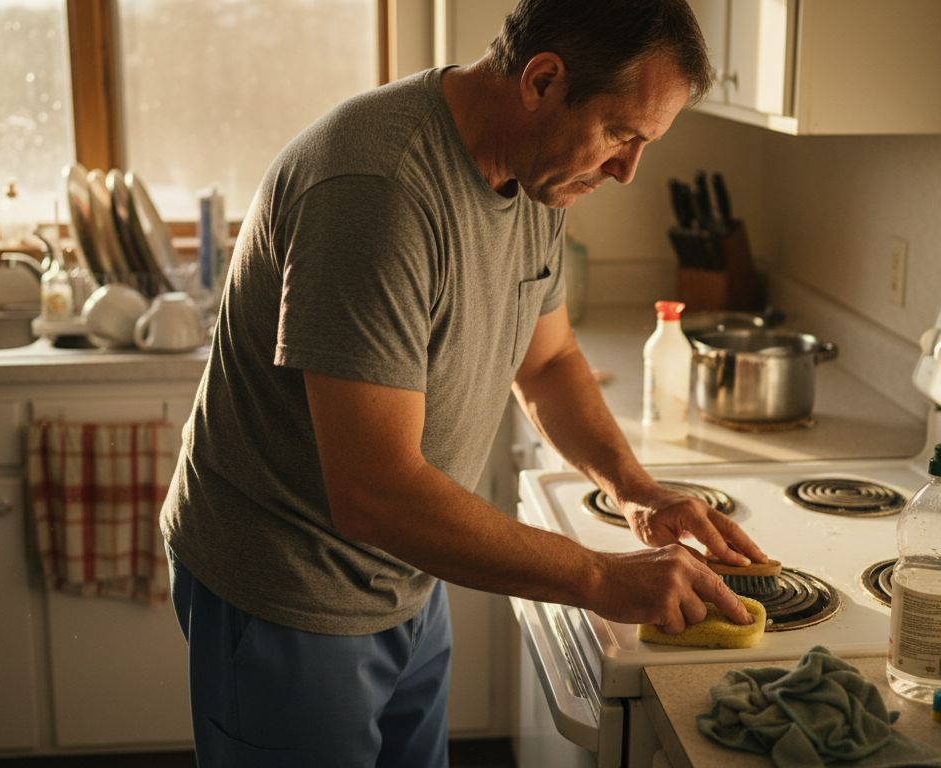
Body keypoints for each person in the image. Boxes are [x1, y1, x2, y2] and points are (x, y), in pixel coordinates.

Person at [161, 0, 768, 764]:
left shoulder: (539, 172)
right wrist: (597, 576)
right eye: (621, 133)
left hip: (408, 572)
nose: (626, 169)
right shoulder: (377, 191)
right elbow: (373, 491)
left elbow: (548, 362)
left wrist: (636, 490)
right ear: (541, 81)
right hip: (286, 592)